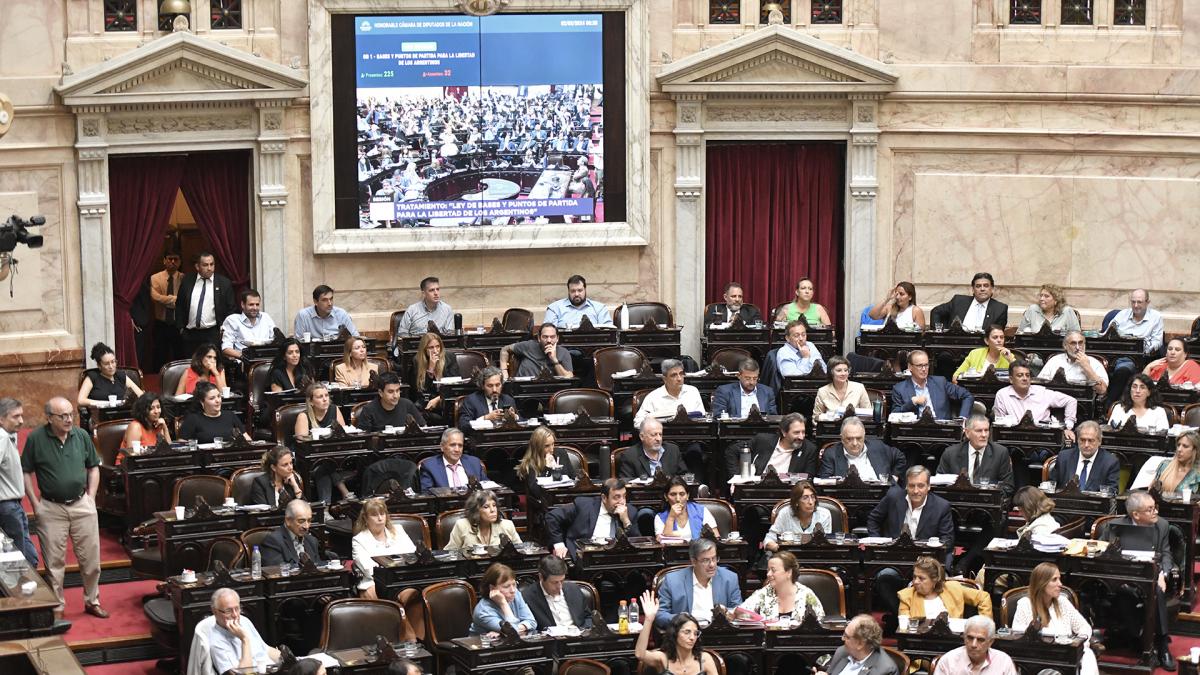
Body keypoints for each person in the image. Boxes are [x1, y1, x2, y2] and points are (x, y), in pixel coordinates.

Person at [21, 397, 106, 617]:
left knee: (91, 560)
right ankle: (58, 605)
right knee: (54, 562)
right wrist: (35, 503)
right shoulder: (36, 439)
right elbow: (26, 471)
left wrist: (91, 497)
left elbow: (94, 467)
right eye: (63, 416)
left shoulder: (81, 435)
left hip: (81, 505)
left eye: (71, 414)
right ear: (49, 418)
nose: (69, 419)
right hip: (51, 508)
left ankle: (92, 600)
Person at [1099, 490, 1174, 669]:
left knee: (1155, 590)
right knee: (1125, 592)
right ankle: (1139, 640)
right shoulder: (1113, 526)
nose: (1155, 511)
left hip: (1151, 577)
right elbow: (1101, 551)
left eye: (1155, 507)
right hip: (1122, 579)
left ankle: (1162, 645)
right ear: (1136, 515)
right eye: (1150, 509)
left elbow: (1166, 554)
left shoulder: (1161, 525)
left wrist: (1163, 574)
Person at [867, 466, 954, 618]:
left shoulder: (941, 506)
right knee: (884, 577)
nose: (916, 491)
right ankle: (904, 616)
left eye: (920, 486)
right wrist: (879, 541)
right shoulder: (893, 497)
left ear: (928, 487)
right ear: (906, 485)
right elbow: (873, 519)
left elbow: (948, 539)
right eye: (912, 485)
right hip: (894, 559)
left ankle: (919, 618)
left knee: (932, 579)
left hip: (928, 561)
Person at [1012, 562, 1098, 675]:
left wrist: (1080, 644)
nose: (1060, 584)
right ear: (1041, 583)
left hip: (1067, 655)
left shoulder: (1063, 602)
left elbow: (1083, 627)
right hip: (1041, 659)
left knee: (1087, 654)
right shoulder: (1025, 605)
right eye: (1054, 580)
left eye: (1059, 579)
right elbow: (1018, 636)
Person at [654, 538, 743, 628]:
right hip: (686, 636)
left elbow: (738, 611)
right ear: (693, 561)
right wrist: (682, 620)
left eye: (714, 558)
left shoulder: (730, 578)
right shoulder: (672, 580)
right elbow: (660, 615)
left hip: (719, 635)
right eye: (705, 560)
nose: (712, 564)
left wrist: (729, 613)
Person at [546, 478, 638, 559]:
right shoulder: (584, 506)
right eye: (617, 497)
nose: (622, 502)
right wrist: (559, 545)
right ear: (604, 498)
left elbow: (637, 544)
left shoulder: (630, 511)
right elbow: (552, 517)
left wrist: (626, 521)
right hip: (585, 557)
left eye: (624, 496)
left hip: (614, 559)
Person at [992, 359, 1078, 442]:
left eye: (1027, 375)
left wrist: (1068, 427)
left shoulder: (1042, 392)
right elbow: (999, 422)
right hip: (1014, 438)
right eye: (1020, 375)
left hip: (1043, 438)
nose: (1025, 378)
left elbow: (1071, 401)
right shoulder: (1002, 395)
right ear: (1011, 379)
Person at [636, 592, 719, 674]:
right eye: (687, 632)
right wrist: (648, 620)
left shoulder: (705, 659)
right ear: (675, 633)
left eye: (696, 633)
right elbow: (640, 654)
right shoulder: (663, 659)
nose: (692, 637)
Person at [1107, 288, 1165, 407]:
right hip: (1117, 353)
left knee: (1123, 370)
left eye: (1139, 302)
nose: (1135, 305)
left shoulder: (1156, 317)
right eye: (1133, 302)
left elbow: (1157, 342)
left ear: (1147, 302)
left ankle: (1110, 406)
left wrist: (1140, 349)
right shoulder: (1122, 314)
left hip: (1139, 357)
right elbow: (1109, 333)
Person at [351, 497, 415, 599]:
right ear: (365, 518)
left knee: (413, 593)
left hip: (402, 577)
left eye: (382, 514)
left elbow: (412, 553)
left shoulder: (398, 530)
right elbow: (368, 568)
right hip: (374, 580)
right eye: (374, 515)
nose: (380, 518)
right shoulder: (359, 539)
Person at [936, 414, 1015, 496]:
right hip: (958, 501)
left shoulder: (1000, 453)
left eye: (986, 430)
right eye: (979, 431)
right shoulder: (950, 453)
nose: (984, 435)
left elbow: (1008, 487)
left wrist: (992, 494)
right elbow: (939, 484)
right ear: (967, 433)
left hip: (987, 503)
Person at [175, 251, 236, 355]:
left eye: (212, 264)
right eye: (205, 265)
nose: (209, 268)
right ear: (197, 266)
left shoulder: (224, 283)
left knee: (211, 366)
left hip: (212, 334)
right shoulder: (187, 280)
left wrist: (223, 331)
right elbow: (179, 305)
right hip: (190, 334)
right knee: (191, 366)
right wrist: (181, 328)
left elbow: (231, 309)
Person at [208, 587, 281, 673]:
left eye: (237, 608)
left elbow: (265, 650)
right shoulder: (216, 643)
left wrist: (290, 660)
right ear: (215, 612)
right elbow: (244, 673)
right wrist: (245, 640)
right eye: (228, 611)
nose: (235, 615)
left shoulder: (244, 621)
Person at [738, 549, 823, 620]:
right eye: (768, 570)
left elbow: (820, 624)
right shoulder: (763, 593)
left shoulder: (806, 595)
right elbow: (740, 612)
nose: (768, 574)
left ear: (789, 572)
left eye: (773, 570)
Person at [897, 556, 991, 620]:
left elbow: (984, 597)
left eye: (921, 578)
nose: (916, 581)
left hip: (953, 641)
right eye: (914, 577)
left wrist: (984, 625)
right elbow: (905, 626)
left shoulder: (953, 588)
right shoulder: (906, 596)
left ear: (935, 579)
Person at [733, 412, 820, 482]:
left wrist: (780, 476)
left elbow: (808, 477)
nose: (801, 437)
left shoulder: (809, 449)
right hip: (757, 488)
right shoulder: (762, 440)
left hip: (788, 492)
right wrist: (736, 476)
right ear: (784, 432)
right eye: (796, 433)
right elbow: (731, 451)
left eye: (803, 432)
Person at [818, 417, 906, 484]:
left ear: (864, 436)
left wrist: (895, 476)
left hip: (881, 497)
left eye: (859, 438)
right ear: (842, 438)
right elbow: (825, 482)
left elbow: (900, 458)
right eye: (849, 439)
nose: (855, 443)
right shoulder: (831, 454)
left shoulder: (878, 447)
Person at [889, 349, 974, 419]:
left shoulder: (940, 382)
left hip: (942, 431)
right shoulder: (899, 389)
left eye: (926, 365)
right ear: (910, 367)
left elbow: (967, 395)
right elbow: (894, 415)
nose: (924, 369)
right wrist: (912, 402)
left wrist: (963, 418)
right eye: (920, 366)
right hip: (915, 432)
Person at [0, 399, 35, 566]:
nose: (21, 421)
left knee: (29, 559)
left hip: (13, 506)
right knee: (19, 564)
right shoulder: (1, 437)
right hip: (7, 507)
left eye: (21, 415)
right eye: (15, 416)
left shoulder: (8, 435)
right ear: (1, 419)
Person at [520, 555, 594, 631]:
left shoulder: (574, 589)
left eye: (562, 581)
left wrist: (584, 631)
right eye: (554, 582)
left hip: (579, 638)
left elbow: (588, 617)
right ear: (541, 577)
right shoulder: (527, 597)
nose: (559, 586)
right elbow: (529, 629)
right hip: (550, 641)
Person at [932, 615, 1017, 675]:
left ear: (990, 642)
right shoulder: (948, 661)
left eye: (980, 640)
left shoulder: (1004, 662)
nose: (974, 644)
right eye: (970, 638)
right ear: (964, 637)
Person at [1050, 421, 1120, 493]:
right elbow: (1052, 485)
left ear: (1099, 441)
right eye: (1082, 440)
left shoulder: (1110, 462)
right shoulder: (1064, 457)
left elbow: (1112, 491)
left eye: (1091, 440)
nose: (1086, 445)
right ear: (1077, 440)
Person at [632, 359, 706, 428]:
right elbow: (638, 423)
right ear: (664, 379)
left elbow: (703, 417)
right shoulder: (653, 397)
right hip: (665, 437)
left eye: (681, 374)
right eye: (674, 375)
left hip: (692, 435)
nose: (679, 378)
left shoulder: (693, 391)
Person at [814, 614, 897, 675]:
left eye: (846, 636)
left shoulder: (884, 670)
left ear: (860, 644)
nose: (842, 639)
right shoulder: (842, 651)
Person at [469, 562, 537, 635]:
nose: (513, 590)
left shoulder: (516, 594)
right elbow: (512, 631)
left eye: (514, 584)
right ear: (492, 588)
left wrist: (503, 632)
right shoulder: (483, 612)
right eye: (506, 586)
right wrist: (503, 604)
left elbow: (532, 622)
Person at [764, 480, 833, 551]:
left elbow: (825, 543)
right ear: (796, 502)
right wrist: (778, 548)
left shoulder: (824, 514)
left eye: (812, 497)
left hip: (815, 555)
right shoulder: (785, 513)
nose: (811, 502)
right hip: (789, 556)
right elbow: (769, 539)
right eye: (805, 498)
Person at [929, 272, 1010, 331]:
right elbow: (936, 311)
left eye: (986, 286)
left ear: (992, 289)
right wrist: (940, 332)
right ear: (973, 289)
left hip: (982, 348)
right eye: (978, 286)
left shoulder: (1000, 309)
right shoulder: (959, 301)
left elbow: (997, 335)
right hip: (955, 345)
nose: (982, 289)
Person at [446, 488, 521, 550]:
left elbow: (520, 550)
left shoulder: (507, 525)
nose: (492, 510)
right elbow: (450, 554)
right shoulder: (462, 525)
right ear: (476, 510)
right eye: (486, 507)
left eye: (494, 505)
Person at [1040, 331, 1109, 397]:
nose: (1078, 347)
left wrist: (1087, 367)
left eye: (1080, 343)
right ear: (1065, 346)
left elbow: (1102, 390)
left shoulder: (1094, 363)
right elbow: (1039, 386)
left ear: (1084, 345)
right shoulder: (1054, 361)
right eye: (1073, 343)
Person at [408, 331, 458, 423]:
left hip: (447, 399)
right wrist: (430, 369)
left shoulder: (449, 357)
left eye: (438, 346)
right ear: (424, 349)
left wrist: (439, 399)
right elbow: (419, 390)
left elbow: (455, 386)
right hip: (427, 401)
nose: (435, 351)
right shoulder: (417, 361)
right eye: (431, 347)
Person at [418, 428, 488, 491]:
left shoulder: (474, 463)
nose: (457, 450)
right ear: (442, 446)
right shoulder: (429, 466)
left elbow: (487, 488)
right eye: (452, 445)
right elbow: (426, 494)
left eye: (460, 445)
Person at [515, 425, 577, 496]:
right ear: (537, 447)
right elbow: (536, 492)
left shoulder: (562, 454)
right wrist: (547, 469)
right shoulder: (530, 463)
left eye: (553, 444)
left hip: (566, 497)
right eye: (547, 446)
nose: (551, 449)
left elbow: (573, 478)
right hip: (545, 501)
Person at [178, 382, 248, 444]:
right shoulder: (193, 419)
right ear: (202, 402)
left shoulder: (230, 415)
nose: (217, 400)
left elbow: (247, 439)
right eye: (212, 398)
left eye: (219, 396)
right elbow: (182, 444)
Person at [357, 371, 427, 432]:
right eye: (390, 392)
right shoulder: (369, 410)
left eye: (397, 390)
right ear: (381, 392)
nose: (395, 396)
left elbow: (424, 428)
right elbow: (364, 438)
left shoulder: (407, 405)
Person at [619, 418, 687, 480]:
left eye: (660, 434)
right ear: (642, 436)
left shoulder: (673, 450)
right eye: (653, 435)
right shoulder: (629, 456)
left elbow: (684, 477)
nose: (658, 439)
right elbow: (626, 483)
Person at [78, 342, 144, 406]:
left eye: (113, 362)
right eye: (107, 364)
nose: (111, 366)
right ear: (99, 365)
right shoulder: (93, 377)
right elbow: (81, 400)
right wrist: (105, 404)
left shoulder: (120, 375)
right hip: (100, 414)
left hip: (122, 413)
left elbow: (140, 395)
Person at [260, 499, 322, 566]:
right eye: (301, 521)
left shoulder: (312, 541)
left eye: (309, 521)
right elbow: (277, 571)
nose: (306, 526)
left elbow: (318, 568)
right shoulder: (273, 541)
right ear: (288, 521)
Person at [499, 323, 574, 378]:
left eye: (552, 337)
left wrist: (554, 360)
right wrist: (504, 373)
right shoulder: (528, 346)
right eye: (545, 337)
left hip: (550, 391)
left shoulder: (564, 352)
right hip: (524, 389)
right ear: (539, 338)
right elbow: (504, 349)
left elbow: (568, 378)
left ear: (557, 338)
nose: (549, 340)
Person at [655, 476, 719, 540]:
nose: (678, 499)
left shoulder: (702, 511)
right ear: (666, 497)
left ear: (687, 496)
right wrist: (671, 517)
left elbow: (715, 538)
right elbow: (663, 543)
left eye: (682, 494)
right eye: (673, 494)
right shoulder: (660, 517)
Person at [220, 289, 277, 359]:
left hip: (267, 360)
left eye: (257, 304)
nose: (255, 308)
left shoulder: (265, 317)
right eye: (251, 305)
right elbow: (226, 348)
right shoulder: (232, 320)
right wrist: (244, 357)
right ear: (242, 304)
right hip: (244, 362)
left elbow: (276, 340)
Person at [149, 251, 184, 364]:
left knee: (179, 354)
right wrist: (174, 299)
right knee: (159, 355)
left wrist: (166, 299)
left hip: (178, 324)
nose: (172, 262)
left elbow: (185, 301)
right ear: (164, 260)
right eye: (169, 259)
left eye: (175, 259)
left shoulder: (184, 278)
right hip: (161, 323)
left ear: (180, 262)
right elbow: (155, 297)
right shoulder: (155, 278)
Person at [712, 359, 777, 419]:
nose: (751, 382)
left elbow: (773, 417)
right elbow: (718, 416)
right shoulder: (724, 391)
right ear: (739, 375)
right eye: (747, 378)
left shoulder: (767, 392)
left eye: (755, 378)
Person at [544, 274, 612, 328]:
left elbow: (609, 332)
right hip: (564, 345)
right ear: (568, 291)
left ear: (585, 290)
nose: (576, 294)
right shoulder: (554, 308)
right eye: (573, 291)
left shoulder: (600, 308)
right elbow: (548, 333)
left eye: (580, 290)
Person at [293, 284, 359, 338]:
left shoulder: (341, 314)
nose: (330, 303)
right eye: (324, 300)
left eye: (331, 299)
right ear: (315, 301)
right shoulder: (303, 315)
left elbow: (355, 337)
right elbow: (298, 342)